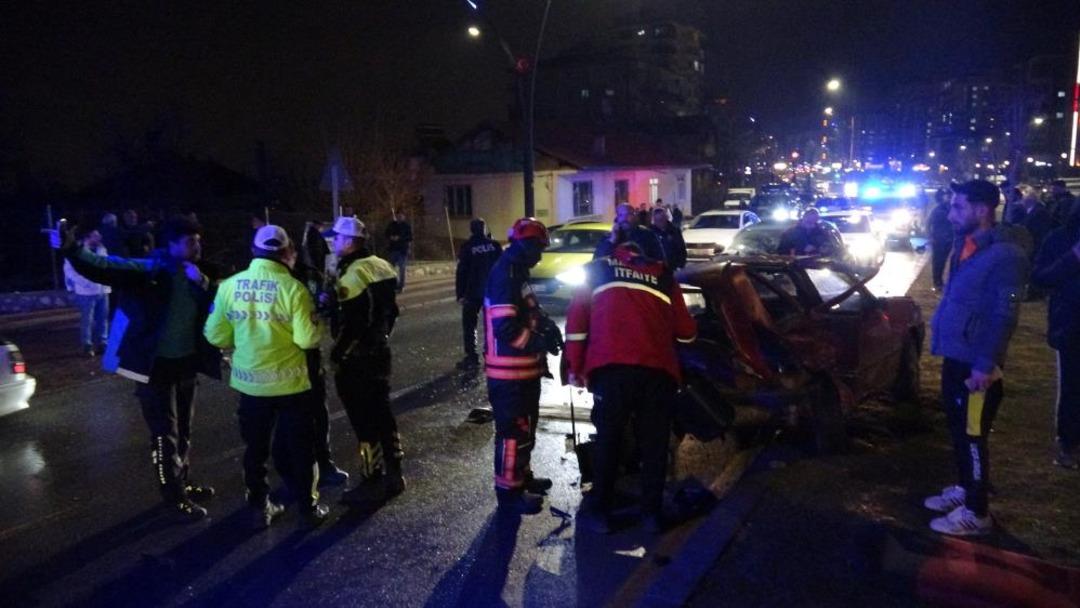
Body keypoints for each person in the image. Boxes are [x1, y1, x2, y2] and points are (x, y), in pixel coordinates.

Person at [47, 216, 221, 521]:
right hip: (153, 367)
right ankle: (173, 497)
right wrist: (72, 249)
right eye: (190, 241)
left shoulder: (199, 274)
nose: (197, 246)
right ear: (171, 244)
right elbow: (105, 267)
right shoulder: (149, 270)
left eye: (198, 240)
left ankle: (184, 482)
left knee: (184, 431)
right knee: (163, 434)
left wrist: (203, 283)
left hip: (185, 364)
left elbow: (218, 306)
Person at [204, 225, 330, 530]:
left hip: (250, 385)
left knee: (255, 449)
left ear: (254, 252)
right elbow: (307, 340)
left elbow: (216, 335)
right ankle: (308, 508)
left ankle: (260, 506)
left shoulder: (229, 287)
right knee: (301, 447)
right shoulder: (294, 289)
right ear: (287, 253)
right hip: (291, 386)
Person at [566, 241, 697, 534]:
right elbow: (687, 333)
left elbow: (576, 326)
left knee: (609, 439)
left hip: (611, 371)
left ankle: (599, 510)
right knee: (654, 443)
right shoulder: (664, 275)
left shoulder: (596, 270)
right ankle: (651, 514)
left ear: (615, 254)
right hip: (657, 371)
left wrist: (575, 369)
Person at [925, 179, 1028, 536]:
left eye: (958, 207)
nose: (951, 213)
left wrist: (986, 364)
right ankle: (965, 489)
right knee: (957, 429)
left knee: (972, 435)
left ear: (982, 210)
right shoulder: (967, 244)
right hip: (958, 357)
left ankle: (977, 512)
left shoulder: (1005, 256)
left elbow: (1004, 314)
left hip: (976, 366)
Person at [484, 218, 563, 514]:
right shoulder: (505, 274)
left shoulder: (518, 272)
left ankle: (522, 477)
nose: (540, 255)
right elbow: (505, 327)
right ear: (524, 245)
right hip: (509, 373)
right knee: (513, 433)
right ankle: (509, 492)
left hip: (523, 371)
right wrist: (537, 343)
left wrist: (548, 327)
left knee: (525, 430)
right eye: (538, 248)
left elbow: (530, 310)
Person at [328, 216, 404, 507]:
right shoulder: (382, 265)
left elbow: (354, 324)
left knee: (364, 422)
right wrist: (383, 337)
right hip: (379, 354)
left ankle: (371, 480)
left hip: (357, 360)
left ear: (350, 241)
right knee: (384, 414)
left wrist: (339, 355)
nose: (335, 242)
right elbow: (392, 312)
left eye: (338, 238)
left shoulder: (352, 275)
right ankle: (395, 472)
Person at [289, 236, 350, 487]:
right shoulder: (281, 282)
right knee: (302, 416)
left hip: (302, 357)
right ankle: (307, 469)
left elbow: (326, 306)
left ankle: (319, 465)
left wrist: (328, 302)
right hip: (294, 357)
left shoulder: (310, 276)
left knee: (314, 414)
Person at [1031, 203, 1080, 470]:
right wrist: (1073, 258)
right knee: (1072, 387)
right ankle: (1068, 443)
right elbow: (1040, 277)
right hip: (1072, 326)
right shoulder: (1060, 238)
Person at [455, 218, 502, 369]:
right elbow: (502, 268)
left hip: (472, 292)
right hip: (492, 292)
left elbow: (462, 271)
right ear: (484, 228)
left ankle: (471, 357)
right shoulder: (494, 246)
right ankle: (491, 354)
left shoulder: (467, 247)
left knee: (469, 325)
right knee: (491, 325)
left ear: (471, 230)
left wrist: (460, 293)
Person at [63, 226, 111, 357]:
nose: (99, 238)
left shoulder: (102, 249)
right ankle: (87, 345)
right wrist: (87, 282)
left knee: (102, 319)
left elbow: (107, 266)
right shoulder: (77, 251)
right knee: (87, 320)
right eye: (95, 235)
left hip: (102, 289)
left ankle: (103, 343)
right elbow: (70, 271)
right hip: (86, 292)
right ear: (88, 238)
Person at [595, 203, 666, 264]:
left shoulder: (648, 235)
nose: (624, 218)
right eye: (621, 215)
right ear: (617, 218)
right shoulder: (608, 237)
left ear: (635, 216)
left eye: (628, 214)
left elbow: (660, 261)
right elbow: (597, 260)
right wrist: (612, 241)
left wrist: (639, 259)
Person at [927, 188, 954, 291]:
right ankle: (937, 282)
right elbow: (928, 223)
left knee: (947, 261)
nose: (948, 198)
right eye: (947, 196)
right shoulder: (938, 209)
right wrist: (930, 236)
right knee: (938, 261)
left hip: (949, 238)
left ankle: (941, 282)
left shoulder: (951, 208)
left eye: (950, 196)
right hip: (938, 239)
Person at [384, 211, 413, 293]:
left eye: (401, 216)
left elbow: (410, 237)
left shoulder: (407, 226)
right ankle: (394, 284)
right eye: (398, 216)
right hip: (393, 249)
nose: (399, 217)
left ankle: (401, 285)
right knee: (391, 269)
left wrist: (400, 238)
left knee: (402, 268)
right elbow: (386, 233)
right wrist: (391, 237)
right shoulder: (392, 225)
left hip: (403, 250)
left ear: (404, 217)